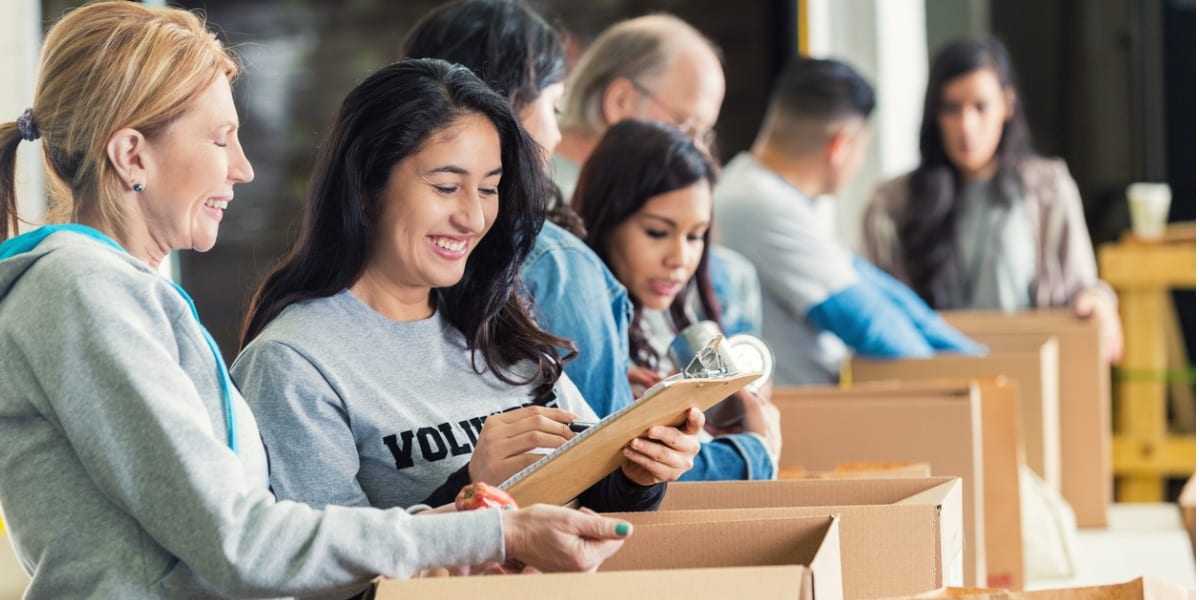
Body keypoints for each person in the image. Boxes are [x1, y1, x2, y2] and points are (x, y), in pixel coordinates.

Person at [0, 5, 631, 598]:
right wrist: (495, 529)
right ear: (132, 153)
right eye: (221, 140)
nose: (243, 169)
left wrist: (465, 514)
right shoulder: (80, 293)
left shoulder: (117, 292)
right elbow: (240, 540)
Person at [234, 57, 700, 521]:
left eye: (488, 189)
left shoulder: (497, 318)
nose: (473, 219)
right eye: (446, 187)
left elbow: (592, 498)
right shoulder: (293, 363)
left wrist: (638, 474)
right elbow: (325, 577)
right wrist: (470, 491)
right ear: (366, 187)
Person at [399, 0, 775, 482]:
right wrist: (752, 455)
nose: (556, 132)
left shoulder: (369, 277)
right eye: (553, 106)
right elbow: (609, 469)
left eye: (696, 236)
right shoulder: (556, 261)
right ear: (496, 111)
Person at [714, 57, 983, 386]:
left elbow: (871, 284)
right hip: (799, 417)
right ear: (840, 146)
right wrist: (962, 378)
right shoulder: (758, 205)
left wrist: (969, 354)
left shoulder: (765, 191)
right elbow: (871, 325)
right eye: (863, 148)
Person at [861, 36, 1123, 364]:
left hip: (1029, 369)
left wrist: (1100, 300)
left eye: (980, 107)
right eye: (951, 108)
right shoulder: (891, 204)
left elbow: (1081, 288)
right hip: (936, 380)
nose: (966, 126)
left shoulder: (1048, 189)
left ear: (1007, 105)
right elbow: (873, 307)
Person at [572, 119, 781, 479]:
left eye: (695, 236)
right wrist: (754, 452)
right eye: (657, 232)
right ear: (605, 218)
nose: (679, 259)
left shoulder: (669, 321)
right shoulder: (576, 323)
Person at [553, 13, 762, 337]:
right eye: (687, 126)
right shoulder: (547, 205)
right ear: (620, 101)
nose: (699, 153)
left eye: (704, 136)